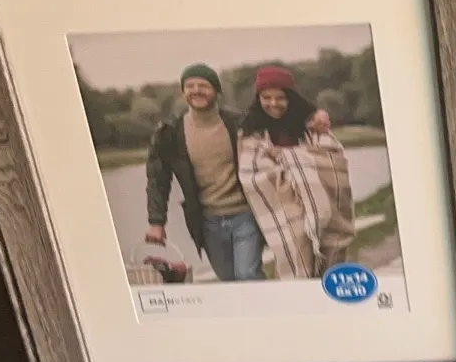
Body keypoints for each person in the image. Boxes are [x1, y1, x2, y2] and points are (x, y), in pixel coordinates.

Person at [144, 63, 266, 282]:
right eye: (190, 86)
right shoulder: (170, 132)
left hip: (246, 214)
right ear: (183, 92)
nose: (196, 90)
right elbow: (157, 179)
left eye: (203, 85)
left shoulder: (239, 122)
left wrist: (314, 117)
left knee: (248, 275)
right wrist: (156, 222)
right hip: (207, 222)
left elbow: (277, 128)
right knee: (228, 281)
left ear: (216, 91)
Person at [237, 64, 355, 280]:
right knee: (295, 253)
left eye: (280, 97)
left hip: (321, 207)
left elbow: (331, 158)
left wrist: (285, 156)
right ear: (258, 98)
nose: (273, 103)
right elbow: (253, 173)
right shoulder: (252, 131)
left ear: (291, 98)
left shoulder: (310, 125)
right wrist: (293, 160)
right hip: (285, 210)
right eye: (266, 97)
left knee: (329, 255)